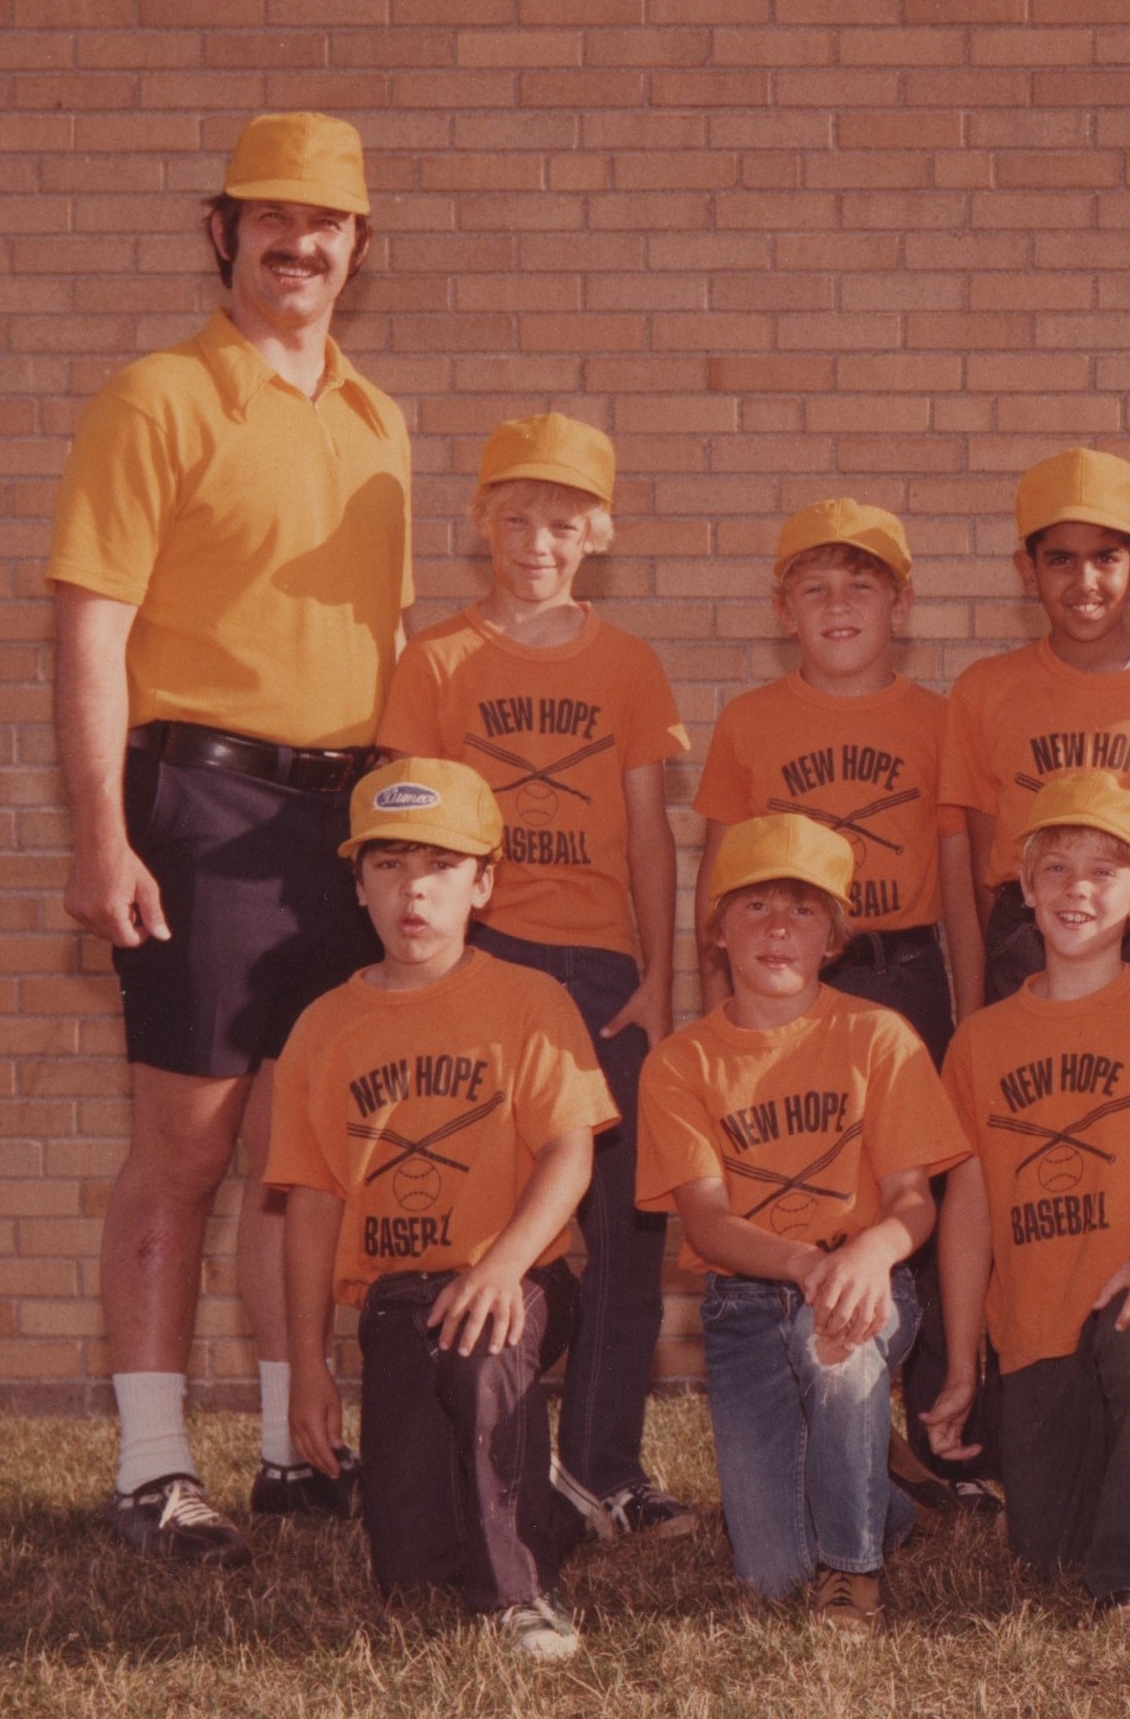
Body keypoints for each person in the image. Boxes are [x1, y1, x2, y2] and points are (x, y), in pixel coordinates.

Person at [46, 111, 411, 1560]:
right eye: (271, 218)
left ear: (357, 250)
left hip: (345, 818)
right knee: (183, 1150)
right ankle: (149, 1463)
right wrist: (101, 835)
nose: (298, 244)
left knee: (297, 1149)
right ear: (223, 233)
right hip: (199, 799)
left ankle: (286, 1445)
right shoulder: (158, 396)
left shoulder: (375, 418)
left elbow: (382, 634)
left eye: (325, 225)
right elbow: (91, 625)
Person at [375, 412, 694, 1541]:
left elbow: (650, 835)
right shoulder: (438, 660)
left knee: (622, 1218)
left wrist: (661, 978)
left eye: (563, 521)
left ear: (598, 534)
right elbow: (407, 832)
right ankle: (466, 1446)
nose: (539, 540)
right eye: (517, 517)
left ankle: (604, 1464)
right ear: (484, 525)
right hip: (486, 959)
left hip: (601, 966)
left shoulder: (628, 663)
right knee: (486, 1208)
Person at [264, 760, 614, 1661]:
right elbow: (309, 1202)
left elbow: (571, 1151)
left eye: (442, 866)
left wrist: (501, 1264)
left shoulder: (529, 1001)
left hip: (517, 1276)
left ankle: (523, 1594)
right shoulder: (322, 1027)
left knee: (482, 1346)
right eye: (388, 865)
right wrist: (308, 1365)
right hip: (395, 1301)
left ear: (483, 882)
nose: (413, 889)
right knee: (412, 1570)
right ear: (357, 883)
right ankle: (543, 1496)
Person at [634, 815, 969, 1630]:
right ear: (716, 932)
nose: (778, 929)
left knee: (840, 1349)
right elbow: (709, 1224)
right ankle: (873, 1483)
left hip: (862, 1276)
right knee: (771, 1578)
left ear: (834, 937)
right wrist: (802, 1265)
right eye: (754, 907)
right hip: (747, 1303)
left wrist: (866, 1252)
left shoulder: (878, 1036)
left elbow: (913, 1200)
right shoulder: (682, 1062)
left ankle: (855, 1573)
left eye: (804, 910)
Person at [925, 773, 1130, 1621]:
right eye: (1056, 868)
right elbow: (970, 1211)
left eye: (1105, 871)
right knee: (1046, 1548)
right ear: (1024, 888)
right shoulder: (981, 1042)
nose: (1078, 889)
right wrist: (962, 1365)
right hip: (1035, 1324)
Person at [942, 449, 1130, 1007]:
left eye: (1106, 557)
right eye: (1060, 560)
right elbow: (986, 856)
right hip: (1027, 928)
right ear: (1027, 570)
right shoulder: (984, 689)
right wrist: (1009, 948)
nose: (1085, 580)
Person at [692, 498, 981, 1052]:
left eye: (860, 586)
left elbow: (958, 884)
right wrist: (715, 1008)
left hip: (903, 972)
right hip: (786, 972)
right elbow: (718, 883)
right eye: (815, 589)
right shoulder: (747, 722)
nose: (837, 606)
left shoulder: (939, 721)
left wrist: (969, 1013)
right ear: (785, 613)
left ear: (901, 607)